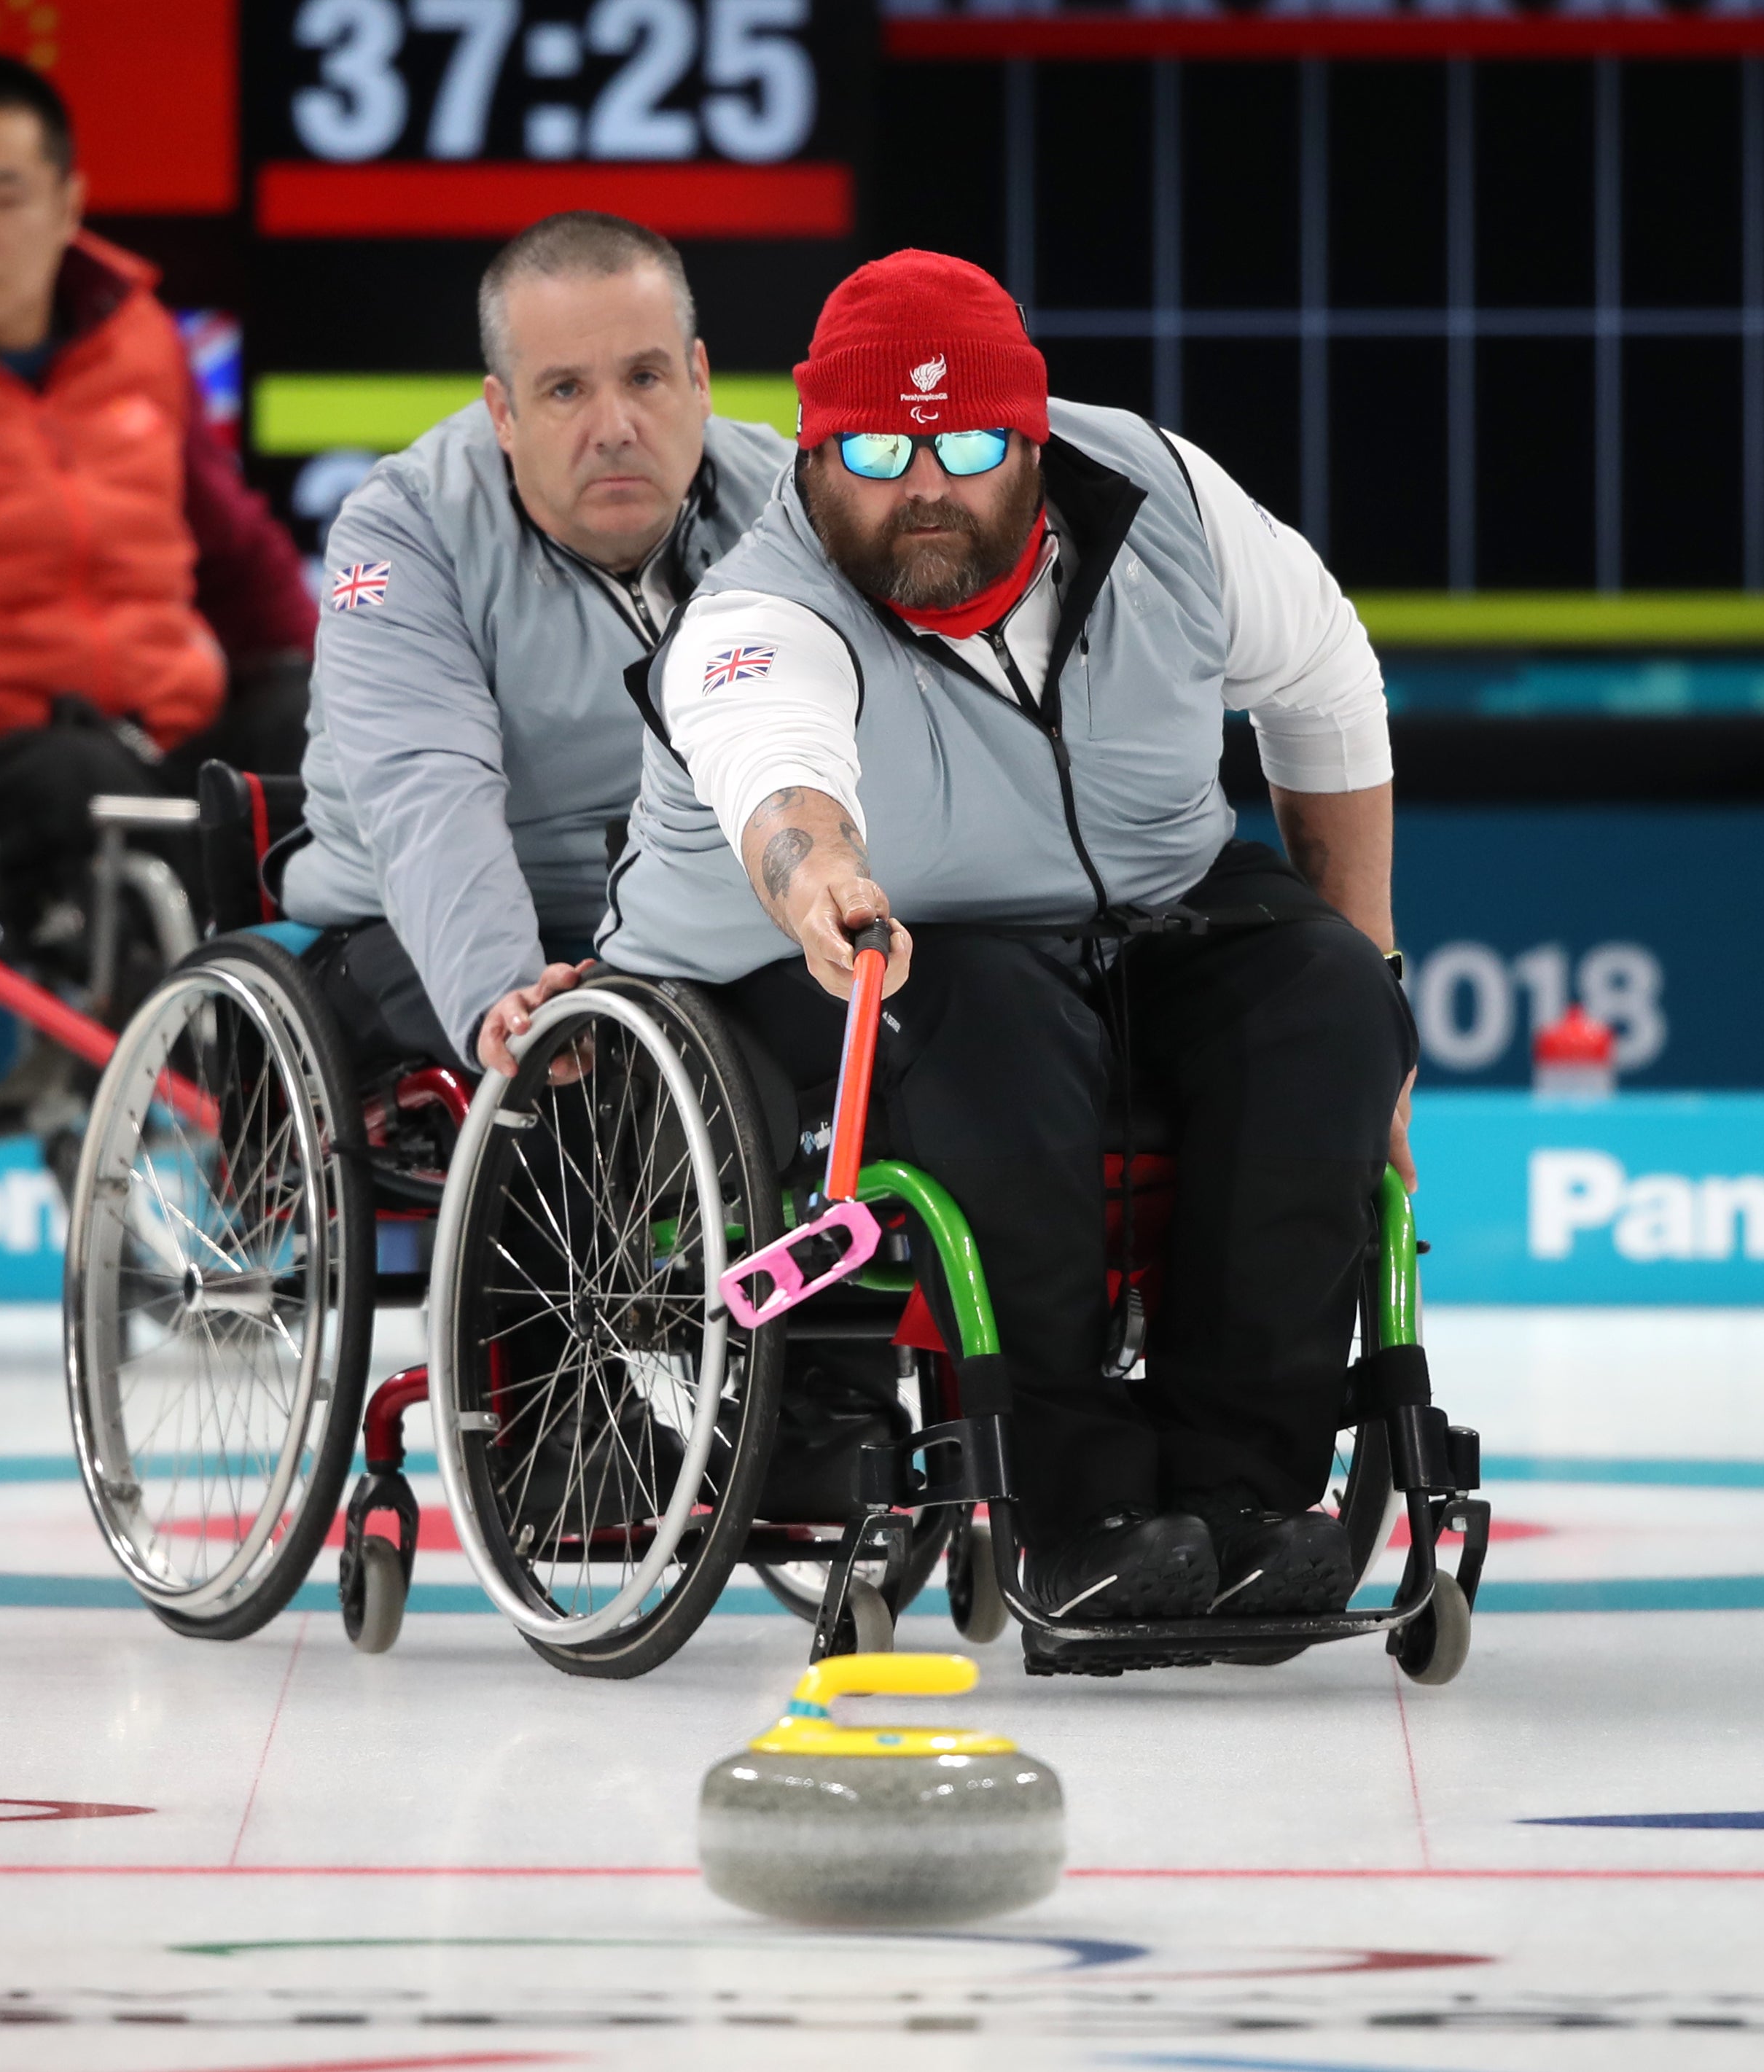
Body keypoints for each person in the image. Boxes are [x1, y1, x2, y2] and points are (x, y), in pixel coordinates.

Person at [603, 249, 1417, 1630]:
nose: (923, 482)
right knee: (980, 1010)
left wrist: (1374, 965)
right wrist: (825, 889)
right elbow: (776, 777)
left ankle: (1248, 1496)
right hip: (813, 972)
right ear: (808, 455)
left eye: (968, 442)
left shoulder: (1168, 500)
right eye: (871, 445)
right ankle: (1078, 1509)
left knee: (1328, 1000)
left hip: (1128, 918)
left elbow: (1327, 678)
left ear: (1032, 439)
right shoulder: (755, 614)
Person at [0, 52, 319, 950]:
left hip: (160, 729)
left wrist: (356, 685)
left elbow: (232, 553)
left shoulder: (140, 339)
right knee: (83, 783)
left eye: (2, 197)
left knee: (315, 727)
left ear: (68, 205)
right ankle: (201, 1072)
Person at [277, 211, 788, 1080]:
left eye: (645, 376)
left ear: (698, 380)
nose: (615, 424)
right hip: (409, 928)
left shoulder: (792, 503)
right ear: (502, 413)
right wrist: (503, 991)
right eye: (564, 391)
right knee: (574, 1065)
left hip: (688, 925)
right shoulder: (405, 526)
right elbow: (426, 789)